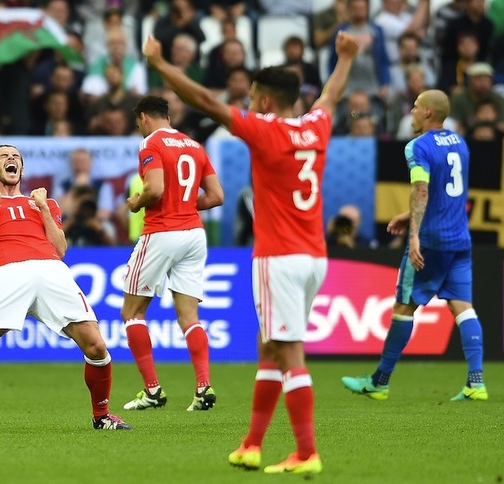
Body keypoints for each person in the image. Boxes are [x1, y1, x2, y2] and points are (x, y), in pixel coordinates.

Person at [142, 30, 359, 473]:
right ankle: (252, 444)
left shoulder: (264, 131)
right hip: (315, 257)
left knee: (290, 353)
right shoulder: (316, 124)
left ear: (262, 101)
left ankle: (306, 452)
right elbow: (333, 95)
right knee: (269, 350)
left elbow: (206, 100)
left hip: (278, 257)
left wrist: (162, 67)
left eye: (253, 96)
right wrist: (345, 60)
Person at [0, 144, 131, 432]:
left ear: (22, 169)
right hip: (8, 273)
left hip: (50, 270)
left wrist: (44, 207)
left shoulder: (45, 204)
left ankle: (102, 415)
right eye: (4, 156)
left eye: (16, 157)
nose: (12, 159)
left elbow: (60, 249)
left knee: (97, 346)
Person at [342, 89, 487, 402]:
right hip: (460, 239)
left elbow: (422, 190)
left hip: (432, 239)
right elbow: (448, 194)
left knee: (404, 306)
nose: (411, 110)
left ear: (428, 114)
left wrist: (415, 234)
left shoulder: (417, 146)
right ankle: (476, 382)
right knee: (463, 306)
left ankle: (380, 381)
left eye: (416, 106)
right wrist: (409, 215)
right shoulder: (460, 142)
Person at [120, 94, 224, 413]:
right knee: (190, 317)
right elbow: (217, 196)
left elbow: (155, 189)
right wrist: (185, 206)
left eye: (138, 122)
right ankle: (203, 387)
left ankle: (152, 390)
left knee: (132, 313)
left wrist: (137, 202)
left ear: (144, 118)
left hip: (162, 232)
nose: (138, 127)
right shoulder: (194, 145)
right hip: (194, 234)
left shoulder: (150, 143)